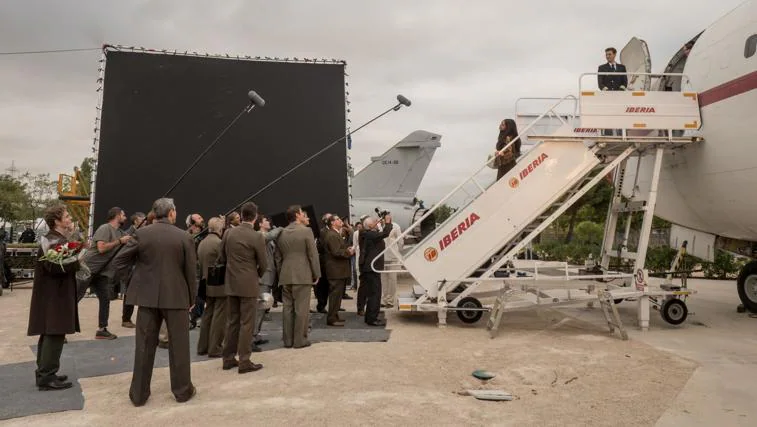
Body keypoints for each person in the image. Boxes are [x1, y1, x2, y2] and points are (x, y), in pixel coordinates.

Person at [114, 198, 197, 406]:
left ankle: (139, 394)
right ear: (170, 213)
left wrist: (135, 281)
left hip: (147, 298)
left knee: (143, 346)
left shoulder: (141, 234)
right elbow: (190, 271)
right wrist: (191, 298)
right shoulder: (184, 237)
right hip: (177, 297)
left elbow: (119, 261)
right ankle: (182, 391)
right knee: (179, 346)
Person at [27, 205, 80, 391]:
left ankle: (45, 371)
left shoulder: (54, 239)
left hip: (53, 294)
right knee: (54, 333)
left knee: (50, 332)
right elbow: (57, 267)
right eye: (66, 216)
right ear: (57, 221)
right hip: (55, 296)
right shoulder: (52, 240)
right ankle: (47, 376)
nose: (69, 218)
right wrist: (78, 261)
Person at [217, 202, 267, 373]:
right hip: (249, 284)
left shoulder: (228, 233)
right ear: (255, 216)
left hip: (231, 283)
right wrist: (255, 274)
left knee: (232, 321)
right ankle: (245, 360)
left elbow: (221, 257)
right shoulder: (257, 236)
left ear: (241, 214)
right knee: (247, 322)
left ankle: (228, 358)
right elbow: (264, 263)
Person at [80, 206, 131, 340]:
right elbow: (101, 248)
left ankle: (102, 329)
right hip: (88, 269)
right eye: (124, 215)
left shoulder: (120, 232)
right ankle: (60, 331)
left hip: (102, 273)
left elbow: (131, 237)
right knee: (74, 298)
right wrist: (120, 241)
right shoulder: (105, 228)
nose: (125, 218)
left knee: (105, 299)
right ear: (118, 215)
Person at [275, 205, 320, 348]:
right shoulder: (306, 231)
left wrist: (281, 272)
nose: (303, 215)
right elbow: (313, 255)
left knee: (287, 309)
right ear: (297, 215)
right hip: (302, 274)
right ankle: (300, 340)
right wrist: (316, 273)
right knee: (301, 309)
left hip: (285, 274)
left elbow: (278, 257)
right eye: (301, 213)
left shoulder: (281, 232)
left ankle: (287, 340)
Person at [196, 217, 226, 358]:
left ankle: (203, 346)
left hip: (206, 283)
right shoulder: (219, 243)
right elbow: (224, 260)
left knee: (207, 314)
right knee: (219, 316)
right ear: (220, 229)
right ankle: (215, 347)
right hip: (219, 284)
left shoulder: (202, 243)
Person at [359, 215, 394, 326]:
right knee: (375, 293)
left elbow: (381, 233)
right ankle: (372, 319)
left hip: (371, 268)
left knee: (373, 293)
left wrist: (384, 223)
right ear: (370, 225)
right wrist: (387, 222)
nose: (377, 222)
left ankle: (370, 317)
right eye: (375, 222)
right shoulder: (368, 234)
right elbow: (385, 234)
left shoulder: (369, 234)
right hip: (371, 268)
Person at [323, 215, 354, 326]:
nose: (341, 221)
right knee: (335, 295)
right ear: (332, 223)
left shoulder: (336, 233)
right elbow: (336, 252)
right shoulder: (332, 235)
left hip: (339, 270)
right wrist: (348, 252)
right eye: (338, 220)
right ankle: (331, 318)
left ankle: (334, 315)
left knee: (338, 295)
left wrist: (346, 249)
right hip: (335, 271)